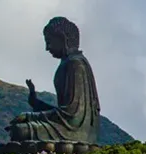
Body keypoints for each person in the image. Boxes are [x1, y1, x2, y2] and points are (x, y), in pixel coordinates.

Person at [6, 16, 100, 144]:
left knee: (20, 131)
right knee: (18, 130)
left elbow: (72, 115)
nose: (47, 48)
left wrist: (30, 116)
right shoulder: (70, 63)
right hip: (66, 127)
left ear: (62, 39)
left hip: (74, 132)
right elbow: (65, 112)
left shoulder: (75, 65)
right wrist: (36, 103)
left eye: (49, 42)